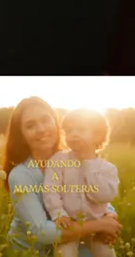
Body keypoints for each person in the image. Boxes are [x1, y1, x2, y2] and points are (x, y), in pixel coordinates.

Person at [3, 97, 122, 256]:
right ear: (22, 135)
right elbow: (41, 231)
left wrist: (109, 215)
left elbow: (91, 194)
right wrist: (100, 225)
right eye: (30, 126)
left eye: (45, 120)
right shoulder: (20, 175)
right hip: (33, 250)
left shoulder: (72, 158)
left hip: (72, 240)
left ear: (56, 123)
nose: (41, 129)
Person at [42, 109, 120, 257]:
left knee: (106, 253)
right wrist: (59, 214)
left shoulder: (108, 169)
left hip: (97, 226)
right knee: (64, 253)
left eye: (81, 129)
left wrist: (88, 163)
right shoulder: (58, 161)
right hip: (70, 224)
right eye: (69, 130)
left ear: (97, 135)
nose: (74, 134)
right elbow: (50, 190)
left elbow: (103, 196)